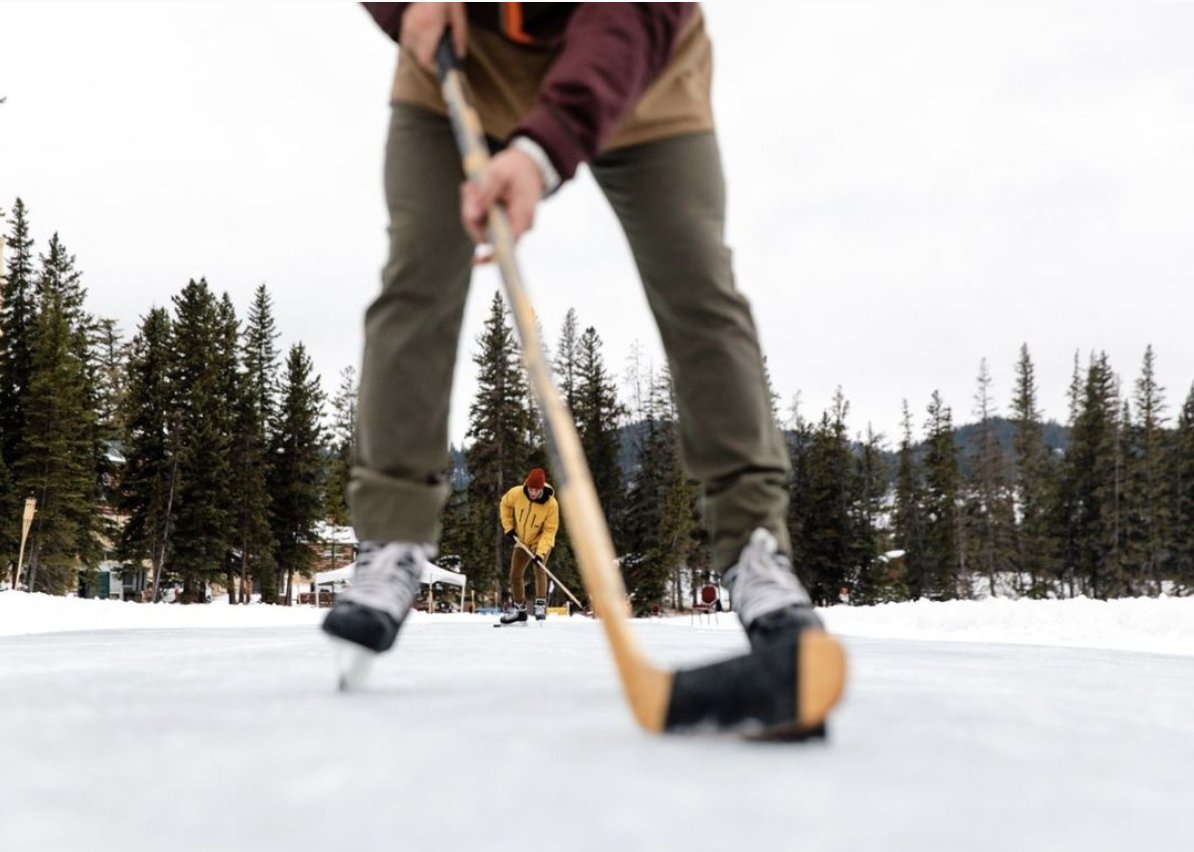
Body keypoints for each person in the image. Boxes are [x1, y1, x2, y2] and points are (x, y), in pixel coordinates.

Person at [323, 2, 820, 660]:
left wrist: (540, 151)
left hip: (636, 69)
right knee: (417, 278)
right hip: (464, 56)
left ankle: (755, 545)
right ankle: (389, 537)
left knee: (696, 284)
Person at [495, 467, 559, 625]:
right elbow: (504, 504)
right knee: (515, 574)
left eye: (536, 490)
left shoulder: (551, 504)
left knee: (539, 568)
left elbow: (550, 530)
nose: (533, 493)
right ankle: (519, 611)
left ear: (542, 488)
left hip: (540, 540)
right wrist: (508, 527)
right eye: (531, 489)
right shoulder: (517, 493)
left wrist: (541, 553)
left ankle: (540, 606)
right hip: (522, 540)